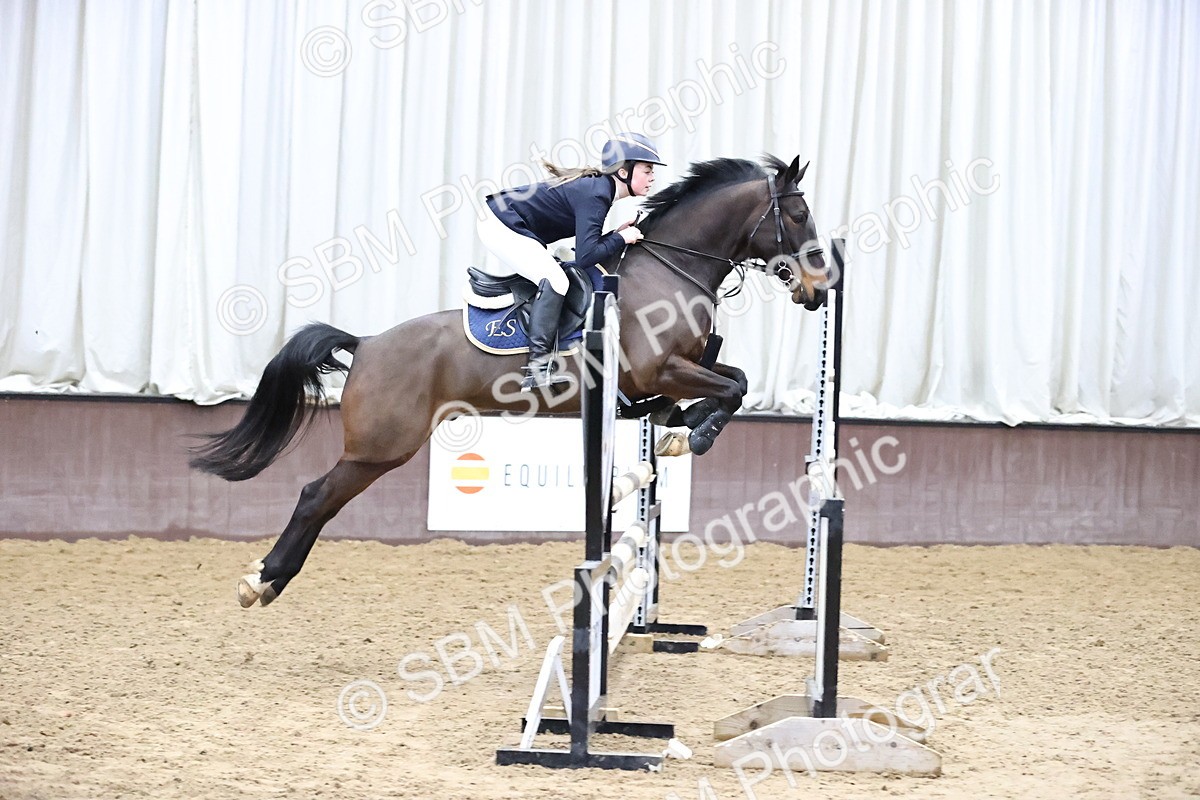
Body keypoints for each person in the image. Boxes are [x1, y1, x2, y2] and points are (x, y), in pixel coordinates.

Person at [477, 132, 665, 390]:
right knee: (556, 280)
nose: (652, 177)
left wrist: (616, 235)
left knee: (555, 275)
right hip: (500, 222)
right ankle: (538, 368)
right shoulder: (597, 193)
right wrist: (621, 239)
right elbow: (586, 256)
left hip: (504, 219)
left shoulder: (600, 189)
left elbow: (589, 248)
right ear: (623, 172)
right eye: (647, 170)